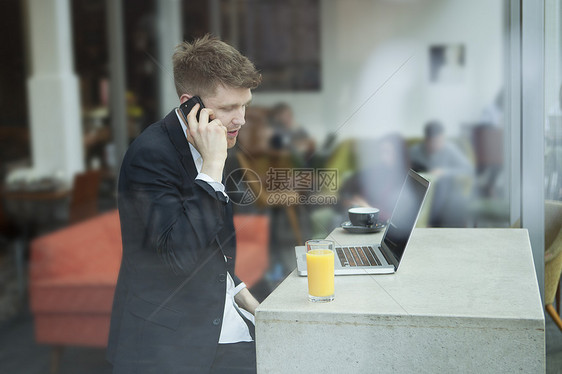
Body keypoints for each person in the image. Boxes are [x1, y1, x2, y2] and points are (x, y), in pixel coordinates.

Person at [106, 35, 262, 373]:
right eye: (228, 108)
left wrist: (239, 292)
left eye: (244, 104)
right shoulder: (150, 156)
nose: (241, 119)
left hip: (216, 317)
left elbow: (211, 243)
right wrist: (211, 170)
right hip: (172, 344)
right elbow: (180, 255)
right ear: (190, 105)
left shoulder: (213, 143)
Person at [409, 121, 473, 226]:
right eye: (433, 142)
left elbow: (468, 169)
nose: (437, 145)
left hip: (445, 191)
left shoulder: (450, 150)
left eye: (440, 141)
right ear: (427, 140)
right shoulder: (415, 151)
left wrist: (444, 172)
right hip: (421, 189)